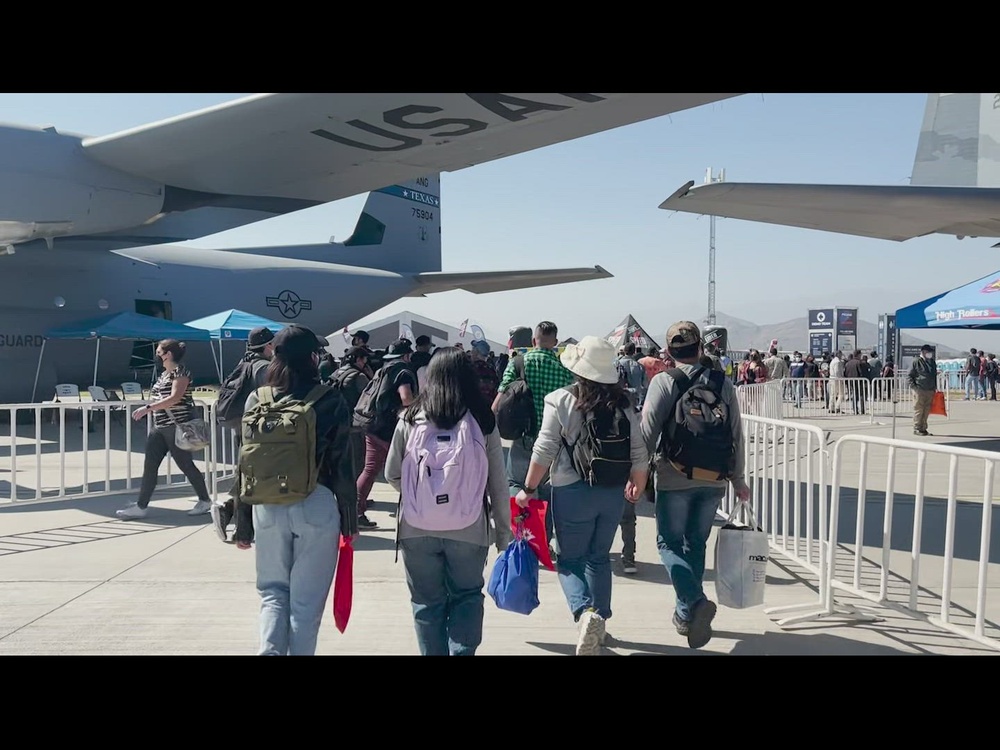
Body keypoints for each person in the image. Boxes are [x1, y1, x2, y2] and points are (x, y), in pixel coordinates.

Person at [515, 336, 649, 656]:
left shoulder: (560, 400)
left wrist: (528, 489)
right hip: (613, 491)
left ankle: (584, 612)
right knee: (599, 557)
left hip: (571, 489)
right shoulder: (625, 403)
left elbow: (545, 448)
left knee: (570, 559)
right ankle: (600, 618)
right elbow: (639, 450)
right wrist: (638, 483)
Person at [239, 324, 359, 655]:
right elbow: (343, 465)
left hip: (266, 505)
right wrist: (350, 521)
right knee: (305, 606)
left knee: (273, 593)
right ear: (311, 358)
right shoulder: (329, 398)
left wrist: (243, 523)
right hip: (315, 503)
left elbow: (245, 463)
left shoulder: (257, 399)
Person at [384, 347, 512, 656]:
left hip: (417, 528)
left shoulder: (410, 418)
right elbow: (498, 484)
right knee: (467, 596)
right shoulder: (483, 420)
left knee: (426, 603)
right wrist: (503, 534)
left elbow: (391, 474)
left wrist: (422, 493)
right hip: (469, 529)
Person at [640, 321, 750, 649]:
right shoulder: (722, 382)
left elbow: (648, 432)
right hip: (714, 478)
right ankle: (686, 613)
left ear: (669, 351)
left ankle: (694, 601)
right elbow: (736, 433)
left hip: (675, 476)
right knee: (696, 544)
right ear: (700, 348)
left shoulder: (664, 381)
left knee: (668, 544)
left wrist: (638, 474)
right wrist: (738, 478)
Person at [116, 339, 213, 519]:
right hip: (160, 427)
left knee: (186, 465)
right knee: (150, 466)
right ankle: (141, 505)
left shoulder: (181, 373)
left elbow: (175, 398)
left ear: (168, 354)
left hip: (175, 427)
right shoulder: (164, 375)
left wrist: (148, 409)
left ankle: (205, 500)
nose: (157, 355)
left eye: (159, 352)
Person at [212, 326, 275, 544]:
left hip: (240, 425)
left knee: (247, 474)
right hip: (257, 430)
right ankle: (236, 520)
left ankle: (231, 512)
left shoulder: (244, 362)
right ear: (268, 345)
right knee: (253, 478)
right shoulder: (264, 368)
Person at [356, 338, 417, 529]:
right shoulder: (403, 371)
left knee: (370, 469)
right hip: (392, 429)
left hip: (373, 425)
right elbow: (406, 398)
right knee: (410, 470)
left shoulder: (384, 369)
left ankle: (355, 512)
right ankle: (414, 511)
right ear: (407, 355)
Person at [908, 344, 937, 436]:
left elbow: (934, 374)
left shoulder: (932, 362)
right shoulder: (916, 361)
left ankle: (923, 428)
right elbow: (909, 375)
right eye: (928, 352)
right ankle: (917, 428)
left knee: (927, 409)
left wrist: (934, 387)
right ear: (923, 352)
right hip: (919, 388)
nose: (930, 354)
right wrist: (914, 387)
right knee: (919, 409)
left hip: (930, 389)